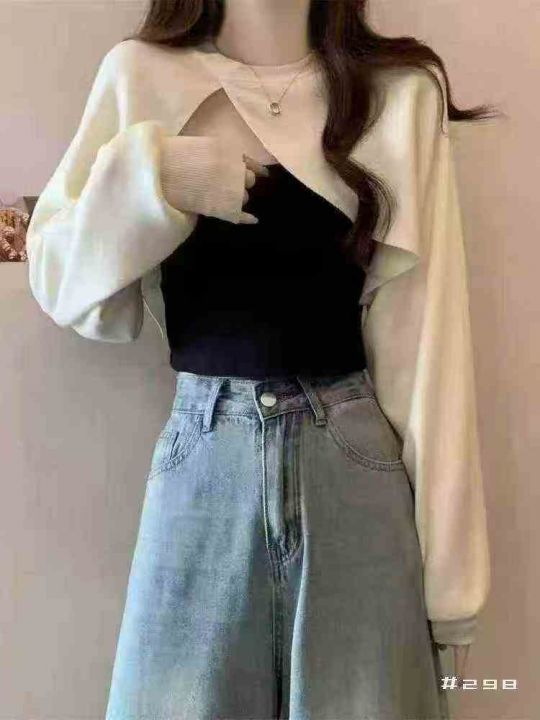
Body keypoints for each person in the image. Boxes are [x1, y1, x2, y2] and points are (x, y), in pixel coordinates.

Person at [26, 1, 498, 717]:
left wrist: (453, 594)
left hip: (354, 469)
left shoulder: (398, 91)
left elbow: (429, 350)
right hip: (204, 462)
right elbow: (60, 280)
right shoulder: (140, 75)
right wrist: (154, 176)